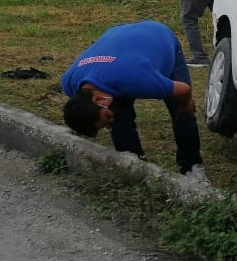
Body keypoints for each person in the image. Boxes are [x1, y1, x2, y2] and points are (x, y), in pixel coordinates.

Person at [60, 20, 209, 183]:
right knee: (118, 115)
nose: (109, 124)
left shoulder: (138, 79)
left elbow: (183, 89)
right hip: (119, 39)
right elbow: (91, 110)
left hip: (158, 35)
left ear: (97, 99)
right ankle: (135, 167)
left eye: (106, 119)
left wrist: (186, 103)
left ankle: (191, 166)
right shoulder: (69, 82)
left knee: (182, 111)